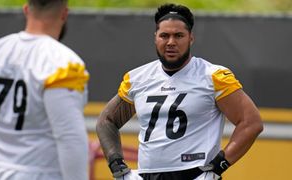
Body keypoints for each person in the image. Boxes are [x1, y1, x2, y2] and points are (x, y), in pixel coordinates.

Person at [96, 3, 263, 180]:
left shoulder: (212, 76)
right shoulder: (138, 78)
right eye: (164, 36)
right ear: (155, 38)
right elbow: (107, 121)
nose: (171, 42)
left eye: (179, 36)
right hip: (148, 175)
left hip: (194, 173)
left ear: (191, 38)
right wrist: (117, 164)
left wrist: (218, 166)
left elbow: (251, 122)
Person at [0, 0, 89, 179]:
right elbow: (70, 139)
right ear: (64, 14)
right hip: (40, 174)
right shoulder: (62, 63)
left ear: (26, 10)